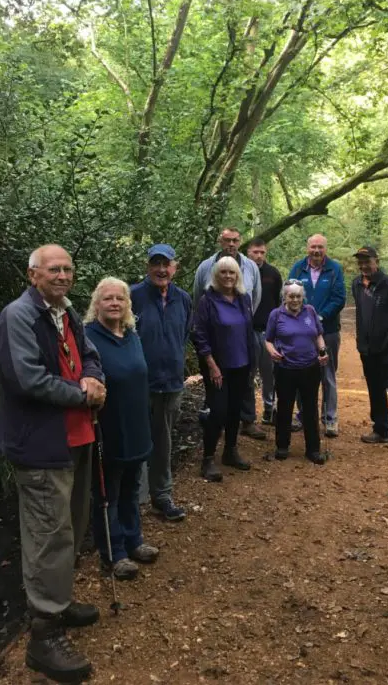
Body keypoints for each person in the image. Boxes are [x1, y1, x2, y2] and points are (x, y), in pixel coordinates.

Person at [0, 244, 106, 684]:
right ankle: (44, 634)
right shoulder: (18, 316)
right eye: (53, 269)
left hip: (75, 438)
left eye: (67, 269)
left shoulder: (66, 310)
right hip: (40, 444)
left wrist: (95, 377)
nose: (62, 276)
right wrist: (83, 394)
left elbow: (90, 352)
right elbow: (27, 379)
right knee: (47, 535)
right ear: (32, 274)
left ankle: (58, 601)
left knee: (72, 527)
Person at [84, 278, 159, 579]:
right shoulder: (88, 337)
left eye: (120, 298)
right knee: (107, 493)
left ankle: (134, 540)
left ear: (128, 304)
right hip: (108, 429)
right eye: (107, 299)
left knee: (131, 489)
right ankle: (113, 553)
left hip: (137, 425)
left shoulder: (131, 334)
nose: (114, 303)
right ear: (97, 304)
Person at [130, 244, 192, 522]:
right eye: (156, 263)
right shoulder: (132, 296)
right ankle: (133, 499)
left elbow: (184, 334)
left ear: (174, 268)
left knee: (163, 442)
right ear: (147, 267)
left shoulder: (183, 299)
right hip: (138, 384)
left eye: (166, 264)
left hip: (172, 382)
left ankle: (162, 495)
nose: (161, 269)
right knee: (135, 441)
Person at [193, 226, 265, 441]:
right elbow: (198, 299)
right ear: (220, 241)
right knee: (217, 399)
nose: (231, 244)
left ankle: (246, 422)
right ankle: (212, 439)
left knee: (244, 384)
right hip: (215, 344)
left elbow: (255, 299)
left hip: (242, 338)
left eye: (235, 240)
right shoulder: (205, 267)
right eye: (227, 240)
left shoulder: (251, 266)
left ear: (240, 241)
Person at [191, 256, 254, 482]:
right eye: (223, 272)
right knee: (217, 411)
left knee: (235, 410)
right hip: (218, 367)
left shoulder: (243, 299)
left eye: (232, 272)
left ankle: (230, 450)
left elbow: (248, 332)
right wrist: (211, 365)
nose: (228, 276)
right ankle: (208, 459)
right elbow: (199, 334)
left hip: (241, 364)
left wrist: (251, 365)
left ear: (238, 275)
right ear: (216, 275)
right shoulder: (208, 301)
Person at [351, 246, 388, 457]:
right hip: (367, 350)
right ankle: (381, 430)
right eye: (360, 261)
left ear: (377, 261)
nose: (363, 265)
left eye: (367, 261)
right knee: (375, 390)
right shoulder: (356, 284)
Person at [265, 280, 329, 464]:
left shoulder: (310, 311)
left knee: (310, 408)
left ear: (303, 297)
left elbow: (318, 334)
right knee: (285, 407)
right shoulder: (276, 315)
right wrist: (271, 351)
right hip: (285, 368)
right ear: (284, 297)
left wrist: (322, 352)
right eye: (291, 296)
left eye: (298, 296)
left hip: (310, 367)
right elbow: (268, 339)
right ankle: (282, 446)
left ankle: (313, 449)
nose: (295, 300)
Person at [289, 234, 346, 437]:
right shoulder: (298, 268)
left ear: (325, 249)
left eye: (320, 247)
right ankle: (303, 415)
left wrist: (320, 317)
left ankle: (329, 419)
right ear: (307, 248)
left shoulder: (334, 269)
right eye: (313, 247)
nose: (316, 251)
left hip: (328, 330)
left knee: (327, 376)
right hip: (301, 332)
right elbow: (290, 294)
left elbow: (339, 297)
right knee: (299, 372)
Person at [246, 238, 282, 426]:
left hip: (268, 332)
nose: (259, 255)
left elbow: (278, 303)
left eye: (262, 252)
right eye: (255, 252)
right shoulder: (241, 271)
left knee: (269, 373)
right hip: (247, 332)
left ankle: (269, 409)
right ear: (248, 252)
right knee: (249, 373)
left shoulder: (272, 273)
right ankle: (248, 415)